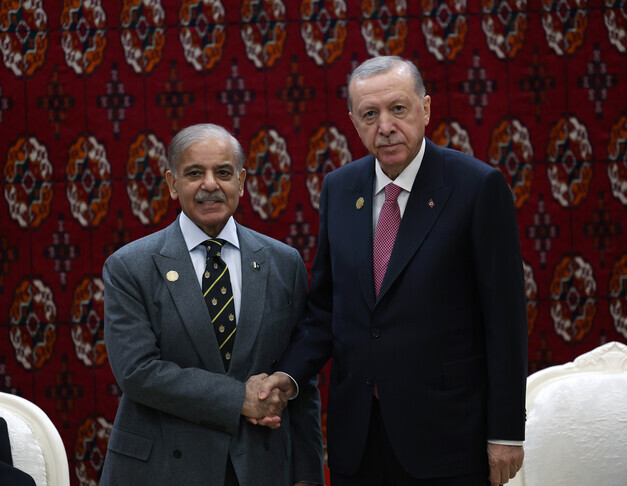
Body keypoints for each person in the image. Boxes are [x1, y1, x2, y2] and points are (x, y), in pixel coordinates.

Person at [256, 56, 528, 486]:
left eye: (398, 109)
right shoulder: (339, 188)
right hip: (358, 438)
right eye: (370, 114)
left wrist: (506, 432)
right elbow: (326, 308)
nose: (385, 126)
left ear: (426, 108)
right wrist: (287, 377)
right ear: (353, 121)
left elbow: (505, 320)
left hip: (448, 437)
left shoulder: (477, 187)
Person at [101, 124, 324, 486]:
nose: (210, 185)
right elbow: (138, 373)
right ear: (172, 184)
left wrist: (308, 476)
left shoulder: (284, 263)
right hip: (163, 470)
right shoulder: (130, 267)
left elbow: (302, 377)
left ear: (241, 181)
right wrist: (239, 398)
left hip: (262, 467)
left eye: (223, 172)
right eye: (194, 173)